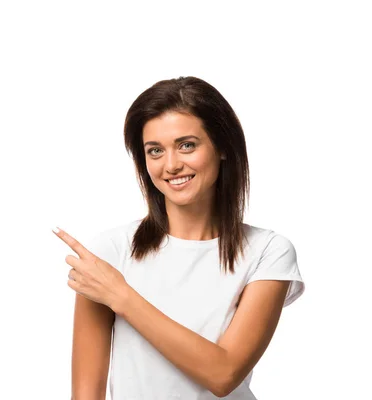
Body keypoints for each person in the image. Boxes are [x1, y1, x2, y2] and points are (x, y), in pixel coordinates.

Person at [59, 76, 305, 399]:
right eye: (155, 151)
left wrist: (122, 296)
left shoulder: (268, 252)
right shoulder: (111, 251)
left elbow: (224, 373)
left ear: (222, 148)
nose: (171, 165)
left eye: (186, 145)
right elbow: (86, 395)